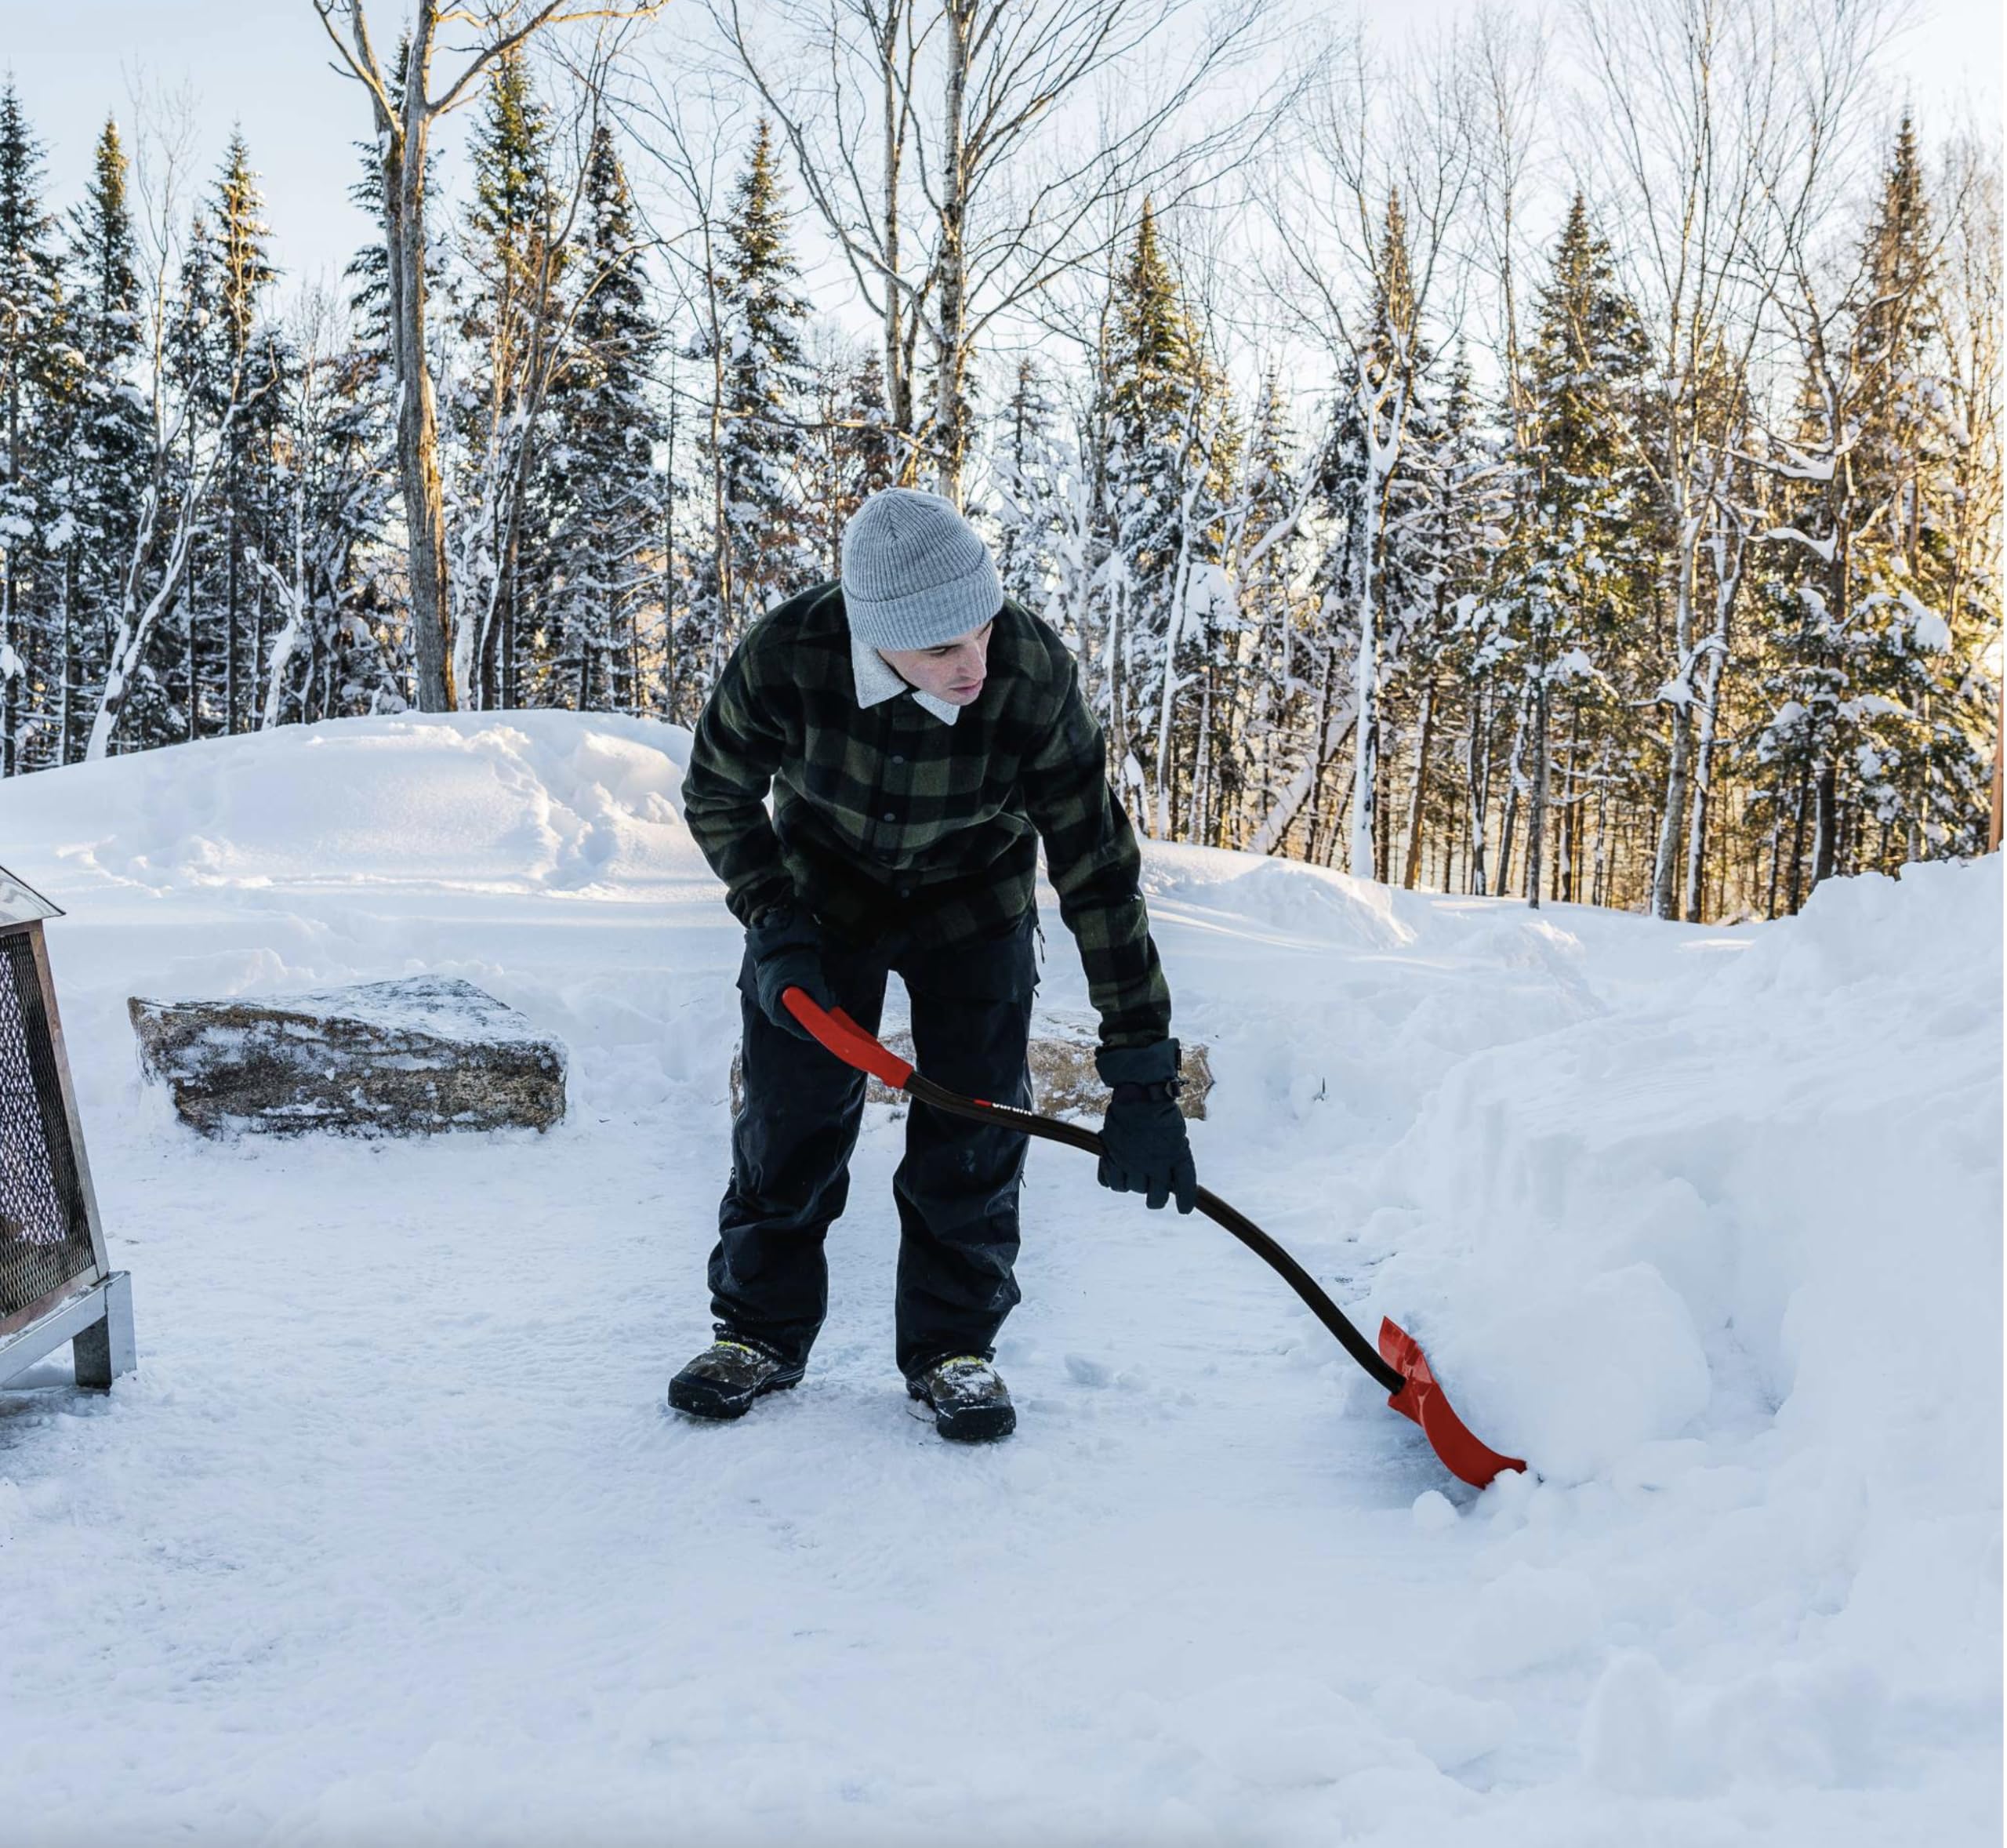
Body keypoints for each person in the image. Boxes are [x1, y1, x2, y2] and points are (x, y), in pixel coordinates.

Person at [670, 487, 1196, 1441]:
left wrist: (1142, 1069)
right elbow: (715, 792)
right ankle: (758, 1332)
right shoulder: (791, 655)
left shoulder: (1029, 672)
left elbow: (1097, 870)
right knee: (790, 1116)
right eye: (942, 648)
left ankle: (955, 1345)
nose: (975, 663)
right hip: (821, 894)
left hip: (975, 898)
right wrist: (772, 916)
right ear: (876, 637)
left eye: (982, 629)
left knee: (976, 1116)